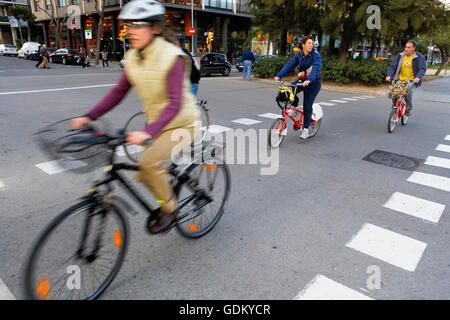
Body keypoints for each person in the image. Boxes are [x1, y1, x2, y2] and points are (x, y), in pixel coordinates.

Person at [71, 0, 200, 234]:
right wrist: (90, 116)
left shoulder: (172, 56)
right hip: (159, 124)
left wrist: (147, 133)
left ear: (155, 28)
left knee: (149, 163)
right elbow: (118, 92)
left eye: (138, 25)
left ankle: (170, 209)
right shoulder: (133, 57)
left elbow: (175, 103)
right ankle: (164, 199)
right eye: (129, 25)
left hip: (184, 123)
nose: (131, 30)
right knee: (144, 174)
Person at [274, 35, 322, 139]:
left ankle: (305, 129)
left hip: (313, 83)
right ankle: (295, 109)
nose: (311, 45)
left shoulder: (316, 55)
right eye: (309, 43)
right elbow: (289, 65)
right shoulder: (299, 56)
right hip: (302, 80)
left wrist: (310, 79)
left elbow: (316, 69)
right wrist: (279, 75)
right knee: (288, 91)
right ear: (303, 45)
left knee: (307, 105)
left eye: (312, 43)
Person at [386, 40, 426, 116]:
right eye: (406, 47)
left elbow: (422, 68)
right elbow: (393, 66)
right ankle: (395, 107)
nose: (406, 49)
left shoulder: (419, 57)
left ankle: (408, 108)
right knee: (394, 92)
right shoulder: (400, 56)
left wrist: (418, 77)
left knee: (408, 90)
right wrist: (389, 75)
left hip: (412, 80)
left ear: (413, 48)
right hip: (399, 79)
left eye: (409, 47)